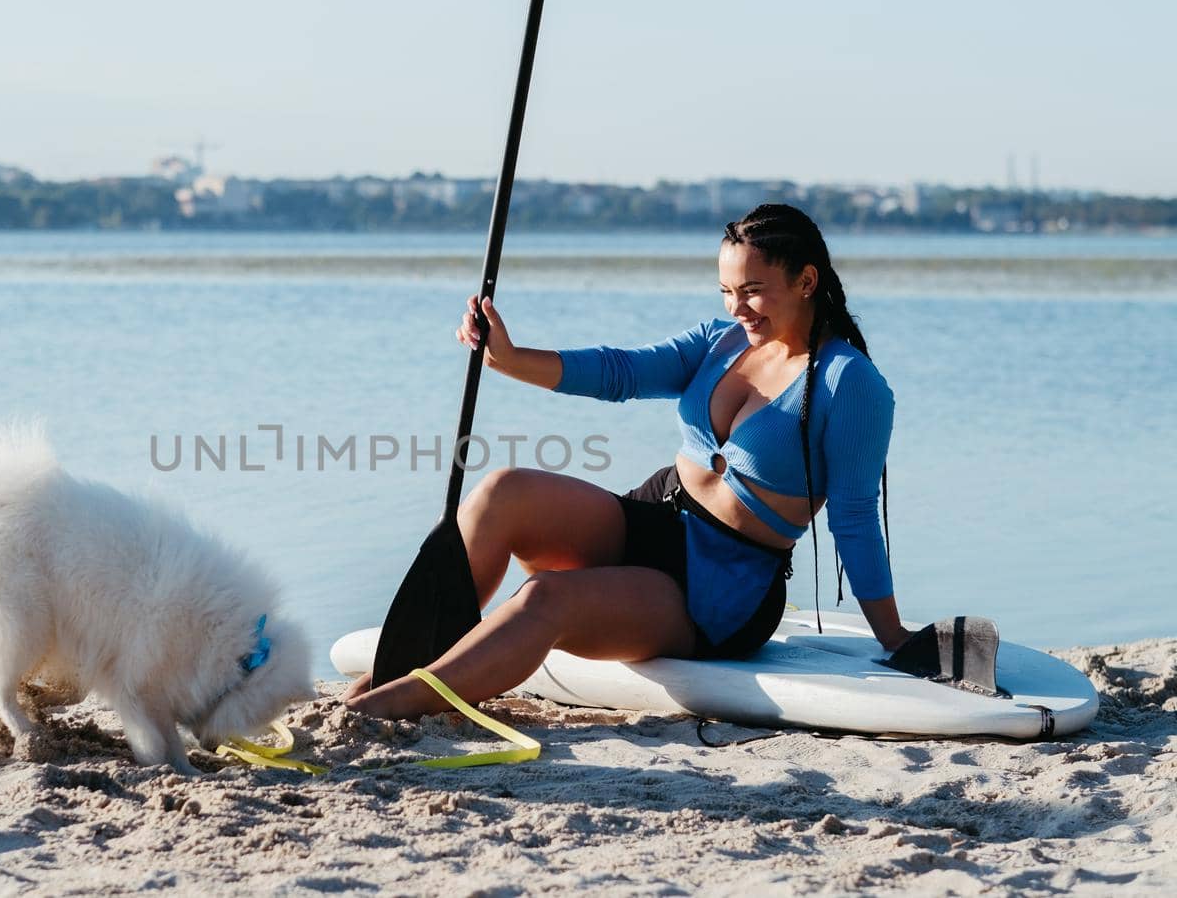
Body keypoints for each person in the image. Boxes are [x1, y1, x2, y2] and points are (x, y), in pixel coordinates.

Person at [344, 203, 913, 719]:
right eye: (726, 290)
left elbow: (855, 520)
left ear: (806, 280)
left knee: (546, 599)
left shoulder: (849, 383)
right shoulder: (722, 340)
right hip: (657, 513)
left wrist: (892, 639)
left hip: (722, 585)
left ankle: (394, 704)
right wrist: (509, 359)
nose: (736, 307)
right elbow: (622, 372)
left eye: (753, 290)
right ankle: (403, 658)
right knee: (503, 491)